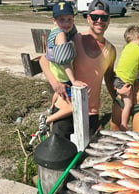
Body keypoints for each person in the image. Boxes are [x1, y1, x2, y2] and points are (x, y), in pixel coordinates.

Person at [40, 0, 117, 139]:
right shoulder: (74, 39)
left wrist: (117, 100)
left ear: (109, 20)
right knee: (61, 154)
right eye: (94, 17)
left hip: (91, 110)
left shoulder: (111, 50)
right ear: (88, 18)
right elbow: (43, 60)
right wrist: (55, 84)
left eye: (104, 17)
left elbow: (109, 78)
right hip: (66, 106)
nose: (99, 20)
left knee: (89, 154)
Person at [40, 1, 87, 131]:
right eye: (62, 20)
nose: (66, 23)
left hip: (56, 74)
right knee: (73, 107)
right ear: (54, 21)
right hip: (62, 78)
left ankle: (51, 108)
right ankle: (47, 120)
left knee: (57, 98)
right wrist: (73, 80)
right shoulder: (60, 34)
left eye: (69, 19)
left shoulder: (55, 31)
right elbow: (65, 60)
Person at [114, 25, 139, 131]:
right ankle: (124, 124)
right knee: (128, 104)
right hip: (126, 82)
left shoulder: (126, 47)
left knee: (123, 101)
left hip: (117, 78)